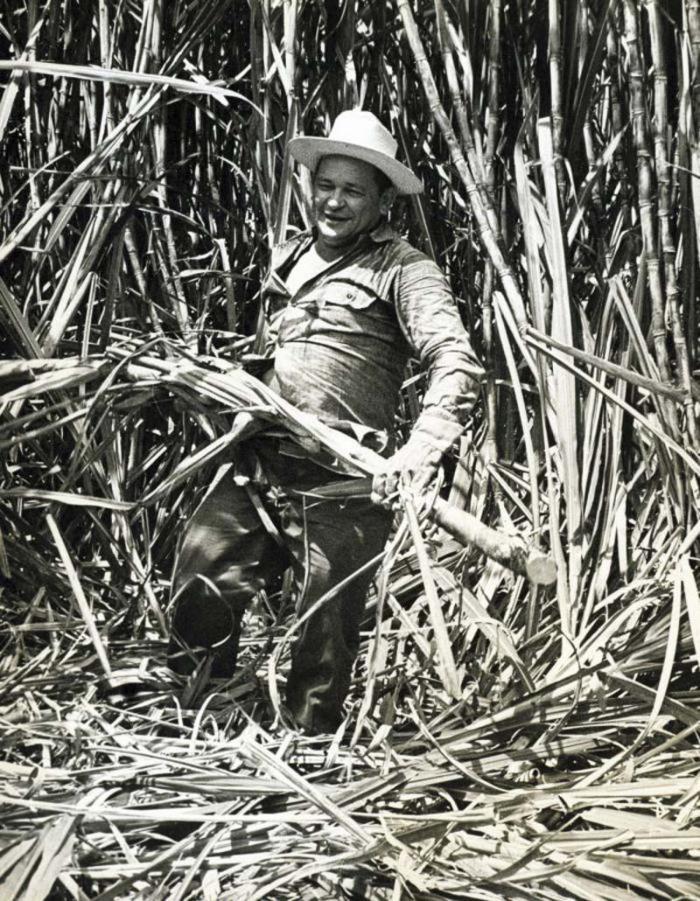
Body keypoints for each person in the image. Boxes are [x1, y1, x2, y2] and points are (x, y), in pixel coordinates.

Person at [168, 110, 482, 734]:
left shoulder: (405, 270)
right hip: (260, 461)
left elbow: (456, 361)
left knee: (325, 631)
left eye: (354, 191)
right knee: (199, 577)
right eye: (326, 185)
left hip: (343, 480)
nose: (334, 202)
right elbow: (277, 352)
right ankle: (197, 721)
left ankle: (312, 751)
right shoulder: (288, 256)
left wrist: (418, 453)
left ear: (384, 200)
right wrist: (222, 384)